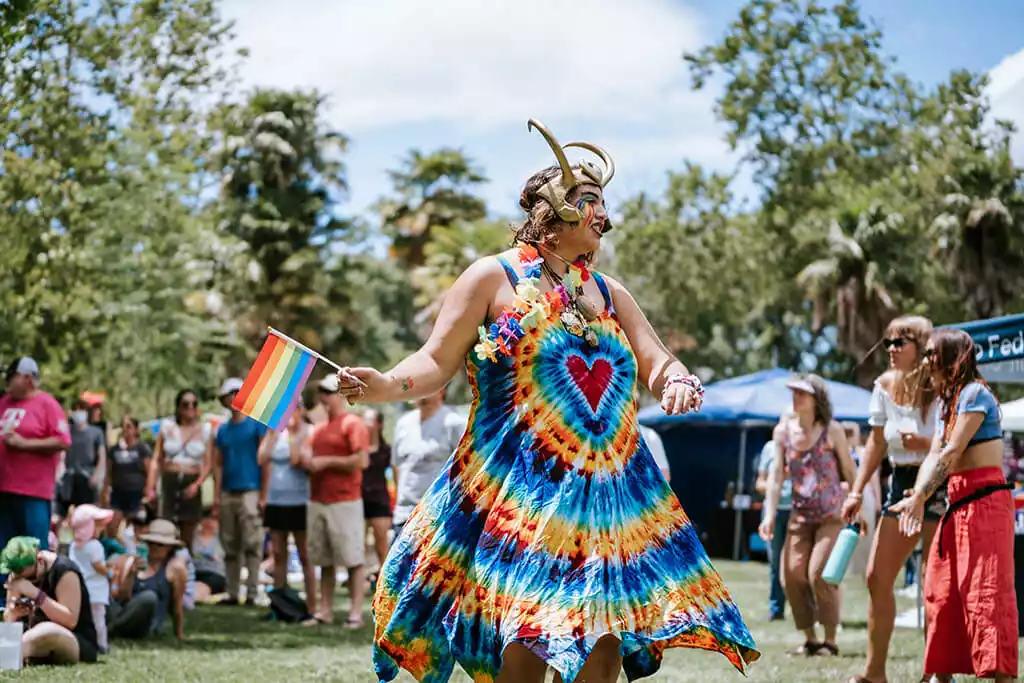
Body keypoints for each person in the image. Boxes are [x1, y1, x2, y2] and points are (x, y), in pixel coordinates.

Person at [338, 120, 758, 683]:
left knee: (601, 654)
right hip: (527, 496)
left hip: (607, 499)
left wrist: (678, 380)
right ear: (554, 212)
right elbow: (435, 361)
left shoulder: (609, 292)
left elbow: (659, 362)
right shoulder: (493, 277)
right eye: (590, 204)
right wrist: (385, 385)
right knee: (531, 643)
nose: (603, 218)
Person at [891, 329, 1018, 682]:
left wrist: (921, 497)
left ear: (952, 356)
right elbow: (933, 454)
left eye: (932, 352)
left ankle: (1000, 677)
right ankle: (938, 676)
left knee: (986, 596)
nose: (927, 359)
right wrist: (917, 495)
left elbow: (951, 451)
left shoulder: (975, 394)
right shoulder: (948, 403)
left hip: (986, 503)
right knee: (941, 593)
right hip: (958, 503)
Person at [840, 316, 941, 683]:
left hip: (939, 483)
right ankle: (874, 673)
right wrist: (856, 490)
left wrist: (925, 444)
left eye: (901, 342)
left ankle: (935, 675)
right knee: (877, 578)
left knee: (935, 584)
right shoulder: (883, 385)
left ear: (922, 345)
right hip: (901, 482)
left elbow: (957, 444)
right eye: (889, 343)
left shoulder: (942, 385)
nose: (892, 350)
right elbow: (876, 443)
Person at [759, 374, 854, 657]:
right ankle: (811, 640)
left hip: (832, 515)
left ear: (816, 399)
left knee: (820, 574)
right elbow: (776, 477)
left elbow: (849, 470)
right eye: (794, 392)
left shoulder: (831, 430)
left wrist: (856, 502)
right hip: (800, 516)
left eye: (803, 393)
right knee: (791, 576)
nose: (796, 397)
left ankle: (830, 640)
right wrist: (769, 514)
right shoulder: (783, 432)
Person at [305, 375, 370, 628]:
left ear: (341, 394)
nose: (324, 397)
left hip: (345, 501)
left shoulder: (352, 423)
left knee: (353, 560)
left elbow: (361, 461)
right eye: (322, 391)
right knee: (324, 560)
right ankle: (325, 611)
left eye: (329, 392)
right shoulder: (319, 429)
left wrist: (327, 463)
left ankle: (355, 614)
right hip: (318, 499)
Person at [0, 358, 72, 556]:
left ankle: (34, 587)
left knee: (32, 550)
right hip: (4, 489)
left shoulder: (47, 404)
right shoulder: (4, 403)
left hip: (33, 492)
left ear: (27, 378)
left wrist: (25, 444)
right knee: (5, 549)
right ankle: (5, 586)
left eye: (11, 377)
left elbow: (63, 440)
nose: (6, 382)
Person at [208, 378, 267, 606]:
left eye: (238, 392)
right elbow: (218, 464)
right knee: (230, 544)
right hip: (228, 492)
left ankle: (252, 593)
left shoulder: (255, 425)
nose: (234, 397)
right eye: (230, 394)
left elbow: (265, 461)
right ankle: (232, 592)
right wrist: (215, 495)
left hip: (251, 490)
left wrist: (263, 494)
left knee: (252, 544)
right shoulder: (222, 430)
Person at [1, 536, 99, 665]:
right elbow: (9, 621)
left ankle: (7, 656)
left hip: (73, 640)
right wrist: (13, 614)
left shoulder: (64, 571)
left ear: (39, 559)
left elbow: (70, 621)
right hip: (29, 640)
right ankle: (11, 654)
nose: (20, 579)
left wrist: (37, 595)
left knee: (46, 630)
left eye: (29, 577)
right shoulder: (16, 573)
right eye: (15, 574)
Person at [259, 401, 315, 616]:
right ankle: (279, 607)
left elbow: (295, 460)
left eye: (293, 409)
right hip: (276, 501)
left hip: (299, 501)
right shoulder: (274, 432)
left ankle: (311, 608)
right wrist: (273, 434)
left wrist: (291, 434)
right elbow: (261, 458)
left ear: (301, 410)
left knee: (304, 555)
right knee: (278, 553)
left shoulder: (308, 432)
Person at [390, 387, 466, 540]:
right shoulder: (403, 423)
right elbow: (396, 466)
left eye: (427, 384)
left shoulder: (454, 423)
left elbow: (465, 468)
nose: (421, 388)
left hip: (437, 517)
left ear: (441, 390)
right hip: (403, 516)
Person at [146, 388, 211, 548]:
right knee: (165, 528)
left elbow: (208, 463)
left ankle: (186, 567)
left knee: (187, 532)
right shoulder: (167, 427)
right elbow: (157, 458)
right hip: (170, 479)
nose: (190, 408)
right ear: (178, 407)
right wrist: (150, 487)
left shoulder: (205, 430)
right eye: (186, 404)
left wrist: (197, 484)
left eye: (194, 404)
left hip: (191, 481)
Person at [108, 518, 188, 640]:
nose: (154, 548)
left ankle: (110, 630)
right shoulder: (132, 561)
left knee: (149, 598)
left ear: (170, 547)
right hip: (126, 614)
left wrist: (179, 633)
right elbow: (123, 597)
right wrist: (131, 574)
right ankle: (112, 628)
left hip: (147, 626)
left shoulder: (175, 568)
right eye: (151, 543)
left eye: (160, 545)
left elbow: (176, 606)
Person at [67, 504, 114, 653]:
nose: (101, 530)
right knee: (99, 619)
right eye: (98, 526)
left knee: (83, 618)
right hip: (96, 590)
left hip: (79, 588)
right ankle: (102, 644)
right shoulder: (95, 546)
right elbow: (97, 566)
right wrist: (110, 573)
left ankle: (83, 642)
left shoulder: (74, 545)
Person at [754, 435, 790, 621]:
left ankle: (810, 610)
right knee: (776, 562)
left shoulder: (806, 444)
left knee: (800, 563)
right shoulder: (769, 448)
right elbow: (759, 483)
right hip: (773, 512)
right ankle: (776, 609)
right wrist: (775, 483)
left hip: (800, 510)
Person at [58, 399, 107, 517]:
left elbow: (102, 456)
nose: (78, 413)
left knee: (88, 512)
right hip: (69, 478)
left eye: (81, 410)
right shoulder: (67, 430)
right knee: (65, 512)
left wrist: (96, 476)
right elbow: (61, 452)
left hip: (87, 476)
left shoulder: (96, 432)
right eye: (76, 410)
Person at [103, 415, 152, 531]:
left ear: (135, 429)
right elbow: (109, 471)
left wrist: (148, 489)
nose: (125, 429)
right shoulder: (114, 450)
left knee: (135, 528)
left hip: (136, 494)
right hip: (118, 494)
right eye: (123, 426)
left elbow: (149, 470)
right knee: (112, 527)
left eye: (129, 426)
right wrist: (105, 490)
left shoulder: (142, 449)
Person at [362, 408, 392, 580]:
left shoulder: (387, 451)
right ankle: (362, 580)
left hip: (380, 501)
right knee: (360, 546)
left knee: (382, 545)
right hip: (360, 500)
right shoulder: (359, 449)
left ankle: (384, 580)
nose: (365, 424)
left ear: (379, 424)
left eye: (369, 420)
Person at [191, 515, 227, 600]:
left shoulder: (222, 538)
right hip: (195, 571)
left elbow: (218, 558)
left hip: (214, 573)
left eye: (212, 519)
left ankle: (197, 597)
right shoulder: (194, 537)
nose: (209, 522)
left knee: (203, 585)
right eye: (206, 518)